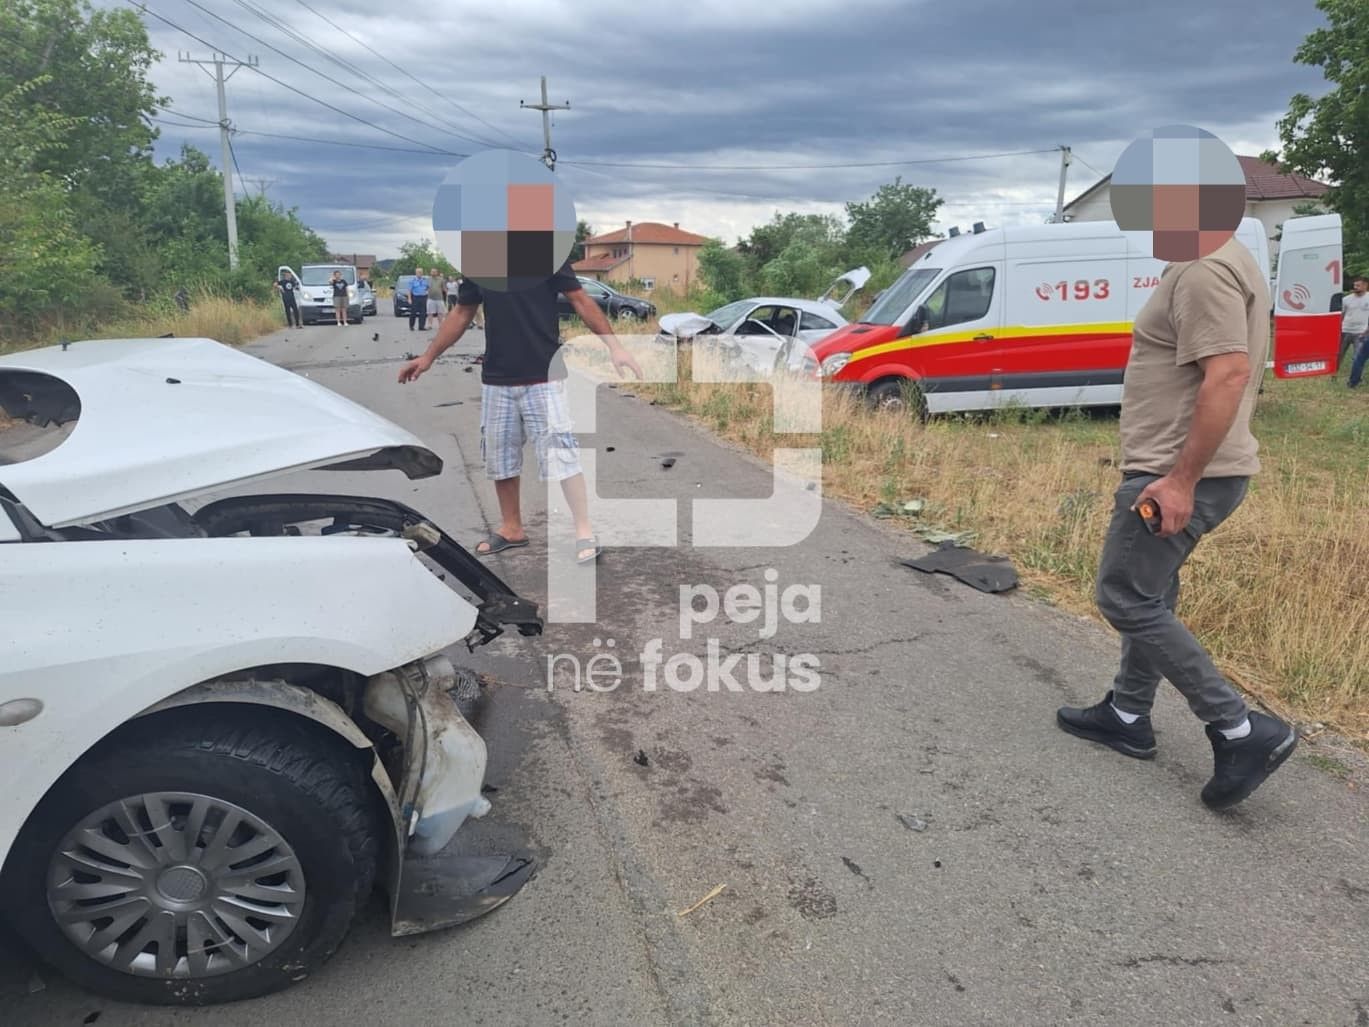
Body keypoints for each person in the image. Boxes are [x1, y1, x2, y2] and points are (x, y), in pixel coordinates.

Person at [1056, 234, 1297, 811]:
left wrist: (1182, 479)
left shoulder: (1203, 269)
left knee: (1123, 596)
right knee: (1152, 591)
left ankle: (1239, 729)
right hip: (1190, 469)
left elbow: (1228, 373)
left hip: (1175, 472)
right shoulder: (1227, 259)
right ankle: (1127, 714)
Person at [396, 262, 643, 563]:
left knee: (562, 454)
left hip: (544, 377)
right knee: (499, 455)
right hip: (497, 379)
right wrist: (428, 357)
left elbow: (580, 299)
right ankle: (512, 528)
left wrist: (615, 347)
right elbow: (462, 311)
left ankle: (583, 531)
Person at [1342, 275, 1369, 388]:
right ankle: (1335, 375)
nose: (1355, 287)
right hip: (1345, 330)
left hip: (1362, 332)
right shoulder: (1346, 299)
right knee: (1340, 355)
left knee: (1358, 357)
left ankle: (1354, 381)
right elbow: (1341, 314)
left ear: (1365, 285)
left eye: (1358, 285)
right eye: (1355, 285)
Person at [428, 267, 445, 331]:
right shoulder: (428, 279)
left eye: (434, 272)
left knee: (440, 312)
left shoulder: (441, 279)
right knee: (430, 312)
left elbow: (444, 288)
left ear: (437, 273)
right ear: (430, 272)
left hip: (439, 298)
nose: (433, 273)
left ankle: (440, 325)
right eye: (432, 272)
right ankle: (430, 325)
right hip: (430, 298)